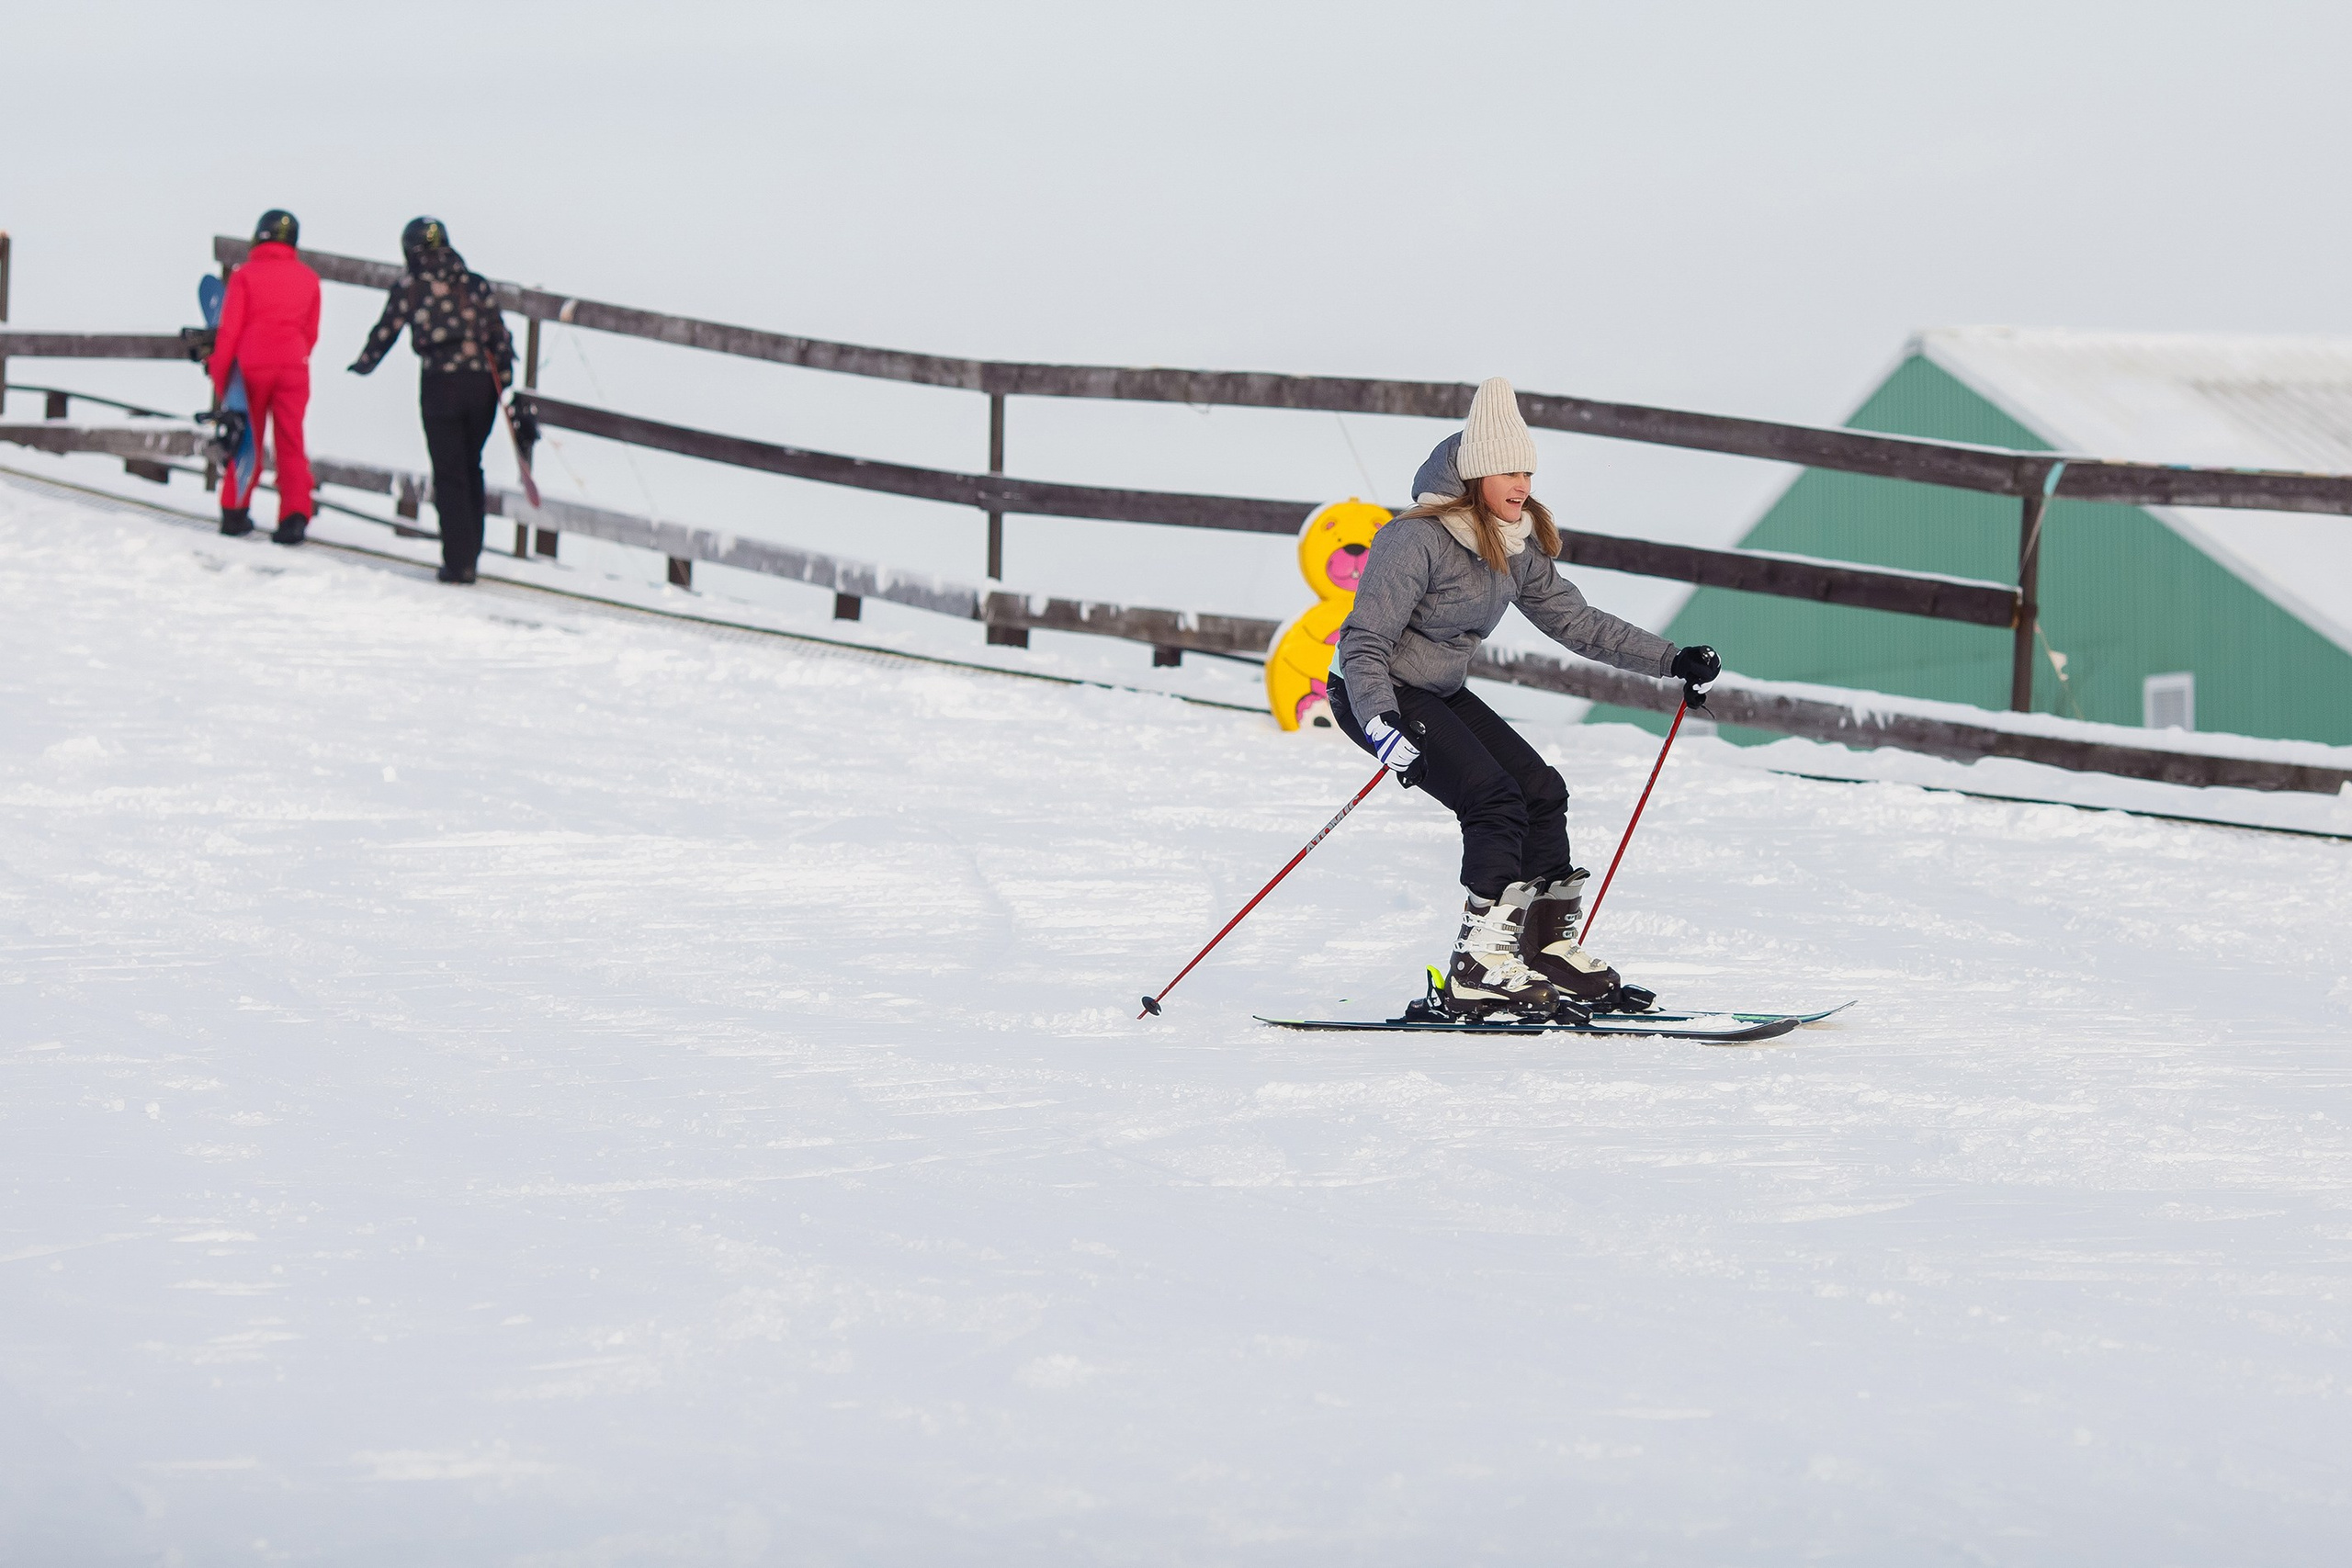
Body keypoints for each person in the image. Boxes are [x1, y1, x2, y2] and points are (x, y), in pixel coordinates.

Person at [1330, 378, 1721, 1018]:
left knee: (1540, 789)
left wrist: (1670, 658)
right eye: (1509, 471)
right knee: (1492, 798)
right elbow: (1363, 640)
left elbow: (1576, 621)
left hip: (1438, 689)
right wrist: (1380, 722)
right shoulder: (1413, 539)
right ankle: (1476, 967)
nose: (1522, 485)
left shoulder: (1514, 542)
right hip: (1376, 692)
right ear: (1476, 474)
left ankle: (1541, 950)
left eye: (1528, 471)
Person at [347, 217, 515, 583]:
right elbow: (499, 336)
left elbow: (387, 330)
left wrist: (364, 363)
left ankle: (458, 562)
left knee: (449, 472)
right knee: (471, 465)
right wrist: (504, 382)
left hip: (442, 383)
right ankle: (471, 552)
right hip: (481, 386)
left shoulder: (411, 285)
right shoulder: (474, 283)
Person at [210, 209, 320, 543]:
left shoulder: (245, 275)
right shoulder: (309, 278)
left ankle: (235, 512)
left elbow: (229, 331)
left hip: (251, 367)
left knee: (246, 439)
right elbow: (311, 332)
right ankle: (294, 519)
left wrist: (221, 377)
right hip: (294, 365)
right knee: (291, 442)